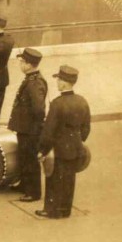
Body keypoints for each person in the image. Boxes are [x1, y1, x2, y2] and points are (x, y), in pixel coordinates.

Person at [35, 66, 91, 219]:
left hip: (58, 148)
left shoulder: (57, 104)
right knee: (69, 179)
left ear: (65, 83)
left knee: (53, 178)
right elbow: (86, 128)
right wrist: (77, 141)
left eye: (59, 79)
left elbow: (48, 132)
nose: (57, 82)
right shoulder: (82, 101)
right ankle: (65, 209)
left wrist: (43, 150)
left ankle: (51, 210)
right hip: (75, 147)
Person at [7, 48, 47, 203]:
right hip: (26, 128)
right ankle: (24, 184)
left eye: (22, 62)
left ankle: (34, 192)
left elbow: (38, 110)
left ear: (29, 64)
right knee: (24, 156)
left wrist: (30, 123)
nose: (20, 64)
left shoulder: (34, 83)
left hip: (30, 129)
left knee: (30, 159)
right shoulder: (32, 79)